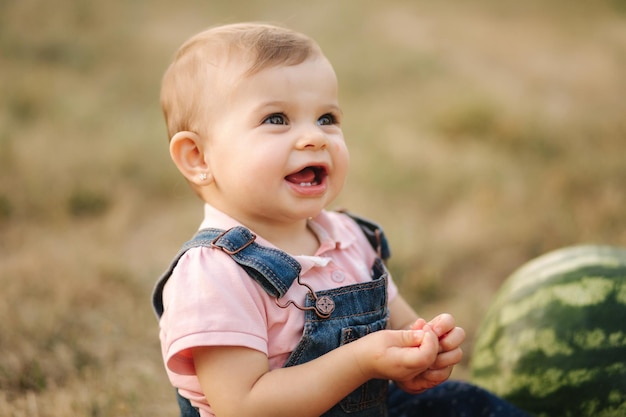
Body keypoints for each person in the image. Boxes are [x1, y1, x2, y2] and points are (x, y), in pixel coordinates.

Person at [152, 22, 530, 417]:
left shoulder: (349, 237)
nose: (314, 137)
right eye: (277, 119)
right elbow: (245, 405)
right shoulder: (214, 274)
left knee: (465, 404)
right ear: (199, 158)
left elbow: (398, 328)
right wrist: (360, 361)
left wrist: (422, 350)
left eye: (327, 117)